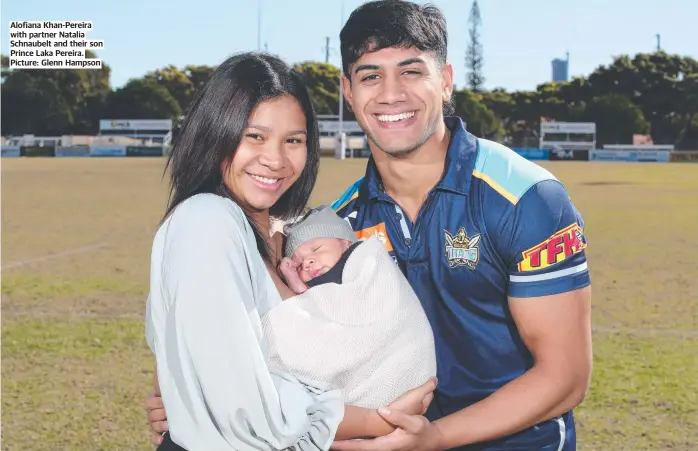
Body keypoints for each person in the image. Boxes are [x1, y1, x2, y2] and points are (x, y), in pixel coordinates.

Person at [147, 2, 593, 449]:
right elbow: (286, 349)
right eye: (370, 75)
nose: (391, 94)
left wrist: (435, 437)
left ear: (446, 80)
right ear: (348, 90)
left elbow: (565, 375)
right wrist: (200, 393)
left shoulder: (526, 198)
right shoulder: (338, 224)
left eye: (412, 71)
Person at [144, 51, 436, 451]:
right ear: (216, 132)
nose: (275, 159)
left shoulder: (292, 237)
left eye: (293, 140)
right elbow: (244, 407)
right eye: (254, 136)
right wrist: (379, 420)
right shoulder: (205, 220)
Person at [264, 204, 437, 410]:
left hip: (402, 356)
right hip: (367, 382)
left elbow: (311, 303)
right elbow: (310, 313)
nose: (308, 262)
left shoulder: (364, 258)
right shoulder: (321, 283)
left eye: (316, 249)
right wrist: (293, 277)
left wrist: (294, 280)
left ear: (345, 242)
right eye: (299, 264)